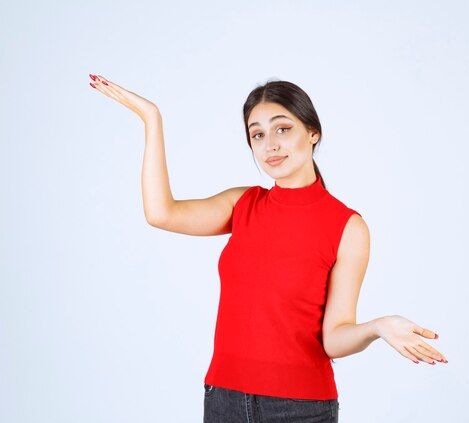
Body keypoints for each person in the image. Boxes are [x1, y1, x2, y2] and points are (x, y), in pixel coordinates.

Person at [89, 74, 448, 422]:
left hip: (300, 408)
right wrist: (152, 118)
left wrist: (378, 327)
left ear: (312, 133)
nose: (270, 145)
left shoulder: (348, 227)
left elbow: (335, 338)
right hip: (223, 399)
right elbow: (161, 213)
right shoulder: (241, 203)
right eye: (257, 135)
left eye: (283, 129)